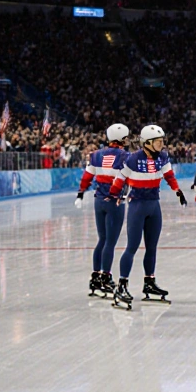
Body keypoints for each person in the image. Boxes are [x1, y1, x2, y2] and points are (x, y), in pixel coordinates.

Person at [108, 125, 188, 311]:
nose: (162, 144)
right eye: (158, 141)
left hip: (154, 205)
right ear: (148, 143)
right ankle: (122, 285)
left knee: (151, 247)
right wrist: (114, 195)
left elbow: (169, 175)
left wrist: (178, 192)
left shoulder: (163, 157)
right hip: (137, 205)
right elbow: (120, 179)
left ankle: (149, 282)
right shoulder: (133, 159)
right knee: (132, 247)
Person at [76, 123, 132, 299]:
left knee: (102, 239)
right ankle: (106, 278)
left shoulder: (96, 155)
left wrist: (80, 194)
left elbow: (87, 177)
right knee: (110, 242)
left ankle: (95, 277)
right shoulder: (125, 156)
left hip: (99, 200)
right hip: (114, 201)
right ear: (122, 138)